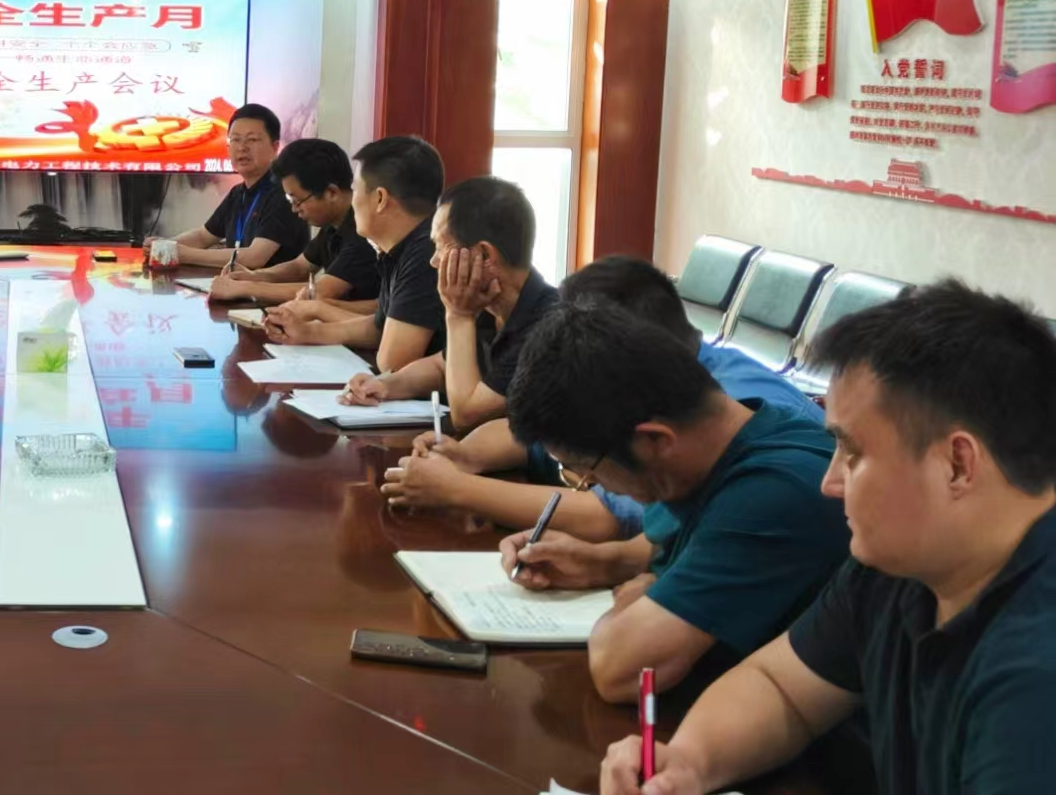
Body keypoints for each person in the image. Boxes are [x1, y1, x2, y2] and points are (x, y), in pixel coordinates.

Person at [601, 282, 1056, 795]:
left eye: (852, 453)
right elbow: (782, 688)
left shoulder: (1036, 673)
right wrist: (689, 763)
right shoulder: (902, 565)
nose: (830, 482)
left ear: (957, 464)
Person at [497, 303, 849, 704]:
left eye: (586, 469)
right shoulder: (717, 443)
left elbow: (621, 671)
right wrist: (600, 563)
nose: (589, 484)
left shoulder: (774, 492)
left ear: (654, 440)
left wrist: (646, 593)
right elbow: (664, 542)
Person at [384, 255, 827, 541]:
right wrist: (464, 454)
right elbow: (532, 435)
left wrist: (458, 490)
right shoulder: (652, 382)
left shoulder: (725, 414)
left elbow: (610, 516)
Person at [340, 175, 556, 434]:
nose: (433, 262)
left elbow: (467, 415)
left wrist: (458, 315)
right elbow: (441, 366)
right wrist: (384, 385)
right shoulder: (489, 304)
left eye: (442, 248)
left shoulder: (549, 327)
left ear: (484, 255)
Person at [262, 136, 446, 375]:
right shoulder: (401, 248)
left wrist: (317, 313)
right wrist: (307, 332)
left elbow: (392, 362)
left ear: (380, 199)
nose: (352, 200)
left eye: (356, 189)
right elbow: (380, 326)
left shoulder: (426, 253)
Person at [208, 137, 379, 306]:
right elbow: (300, 267)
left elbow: (321, 292)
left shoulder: (364, 231)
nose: (294, 209)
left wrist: (245, 288)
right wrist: (254, 276)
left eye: (297, 201)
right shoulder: (334, 224)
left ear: (332, 193)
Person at [151, 103, 308, 269]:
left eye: (252, 140)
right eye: (235, 139)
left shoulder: (284, 193)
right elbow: (203, 236)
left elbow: (254, 258)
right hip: (236, 282)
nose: (242, 148)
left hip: (272, 285)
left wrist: (181, 253)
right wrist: (164, 245)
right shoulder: (238, 193)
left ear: (275, 147)